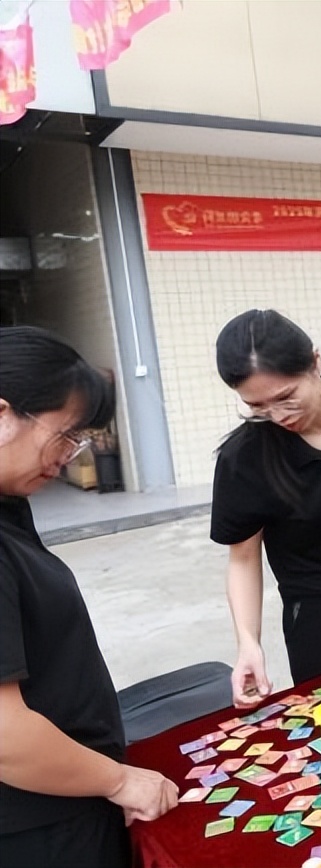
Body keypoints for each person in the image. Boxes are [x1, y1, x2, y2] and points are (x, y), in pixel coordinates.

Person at [0, 326, 178, 866]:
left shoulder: (10, 507)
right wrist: (118, 780)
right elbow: (6, 736)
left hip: (65, 796)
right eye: (66, 435)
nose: (69, 456)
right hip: (41, 827)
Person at [211, 310, 321, 706]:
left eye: (286, 397)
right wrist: (248, 643)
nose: (278, 416)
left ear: (315, 362)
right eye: (257, 406)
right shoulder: (246, 457)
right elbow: (243, 559)